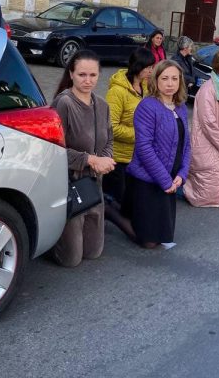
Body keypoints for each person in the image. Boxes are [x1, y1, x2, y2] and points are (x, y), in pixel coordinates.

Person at [50, 50, 115, 267]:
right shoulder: (64, 103)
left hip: (95, 182)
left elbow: (109, 139)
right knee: (71, 259)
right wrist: (90, 160)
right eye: (82, 75)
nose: (88, 80)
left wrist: (105, 160)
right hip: (70, 183)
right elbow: (54, 150)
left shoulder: (102, 105)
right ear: (71, 74)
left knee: (94, 252)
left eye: (93, 75)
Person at [126, 60, 190, 248]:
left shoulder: (181, 106)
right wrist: (165, 180)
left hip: (171, 177)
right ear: (156, 80)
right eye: (165, 78)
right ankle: (113, 214)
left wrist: (182, 174)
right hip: (149, 177)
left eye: (174, 79)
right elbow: (144, 147)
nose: (170, 84)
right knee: (148, 242)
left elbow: (186, 144)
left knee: (161, 236)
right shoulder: (147, 106)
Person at [184, 49, 219, 207]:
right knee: (203, 191)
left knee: (213, 187)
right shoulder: (208, 89)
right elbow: (208, 123)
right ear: (217, 67)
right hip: (208, 144)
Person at [103, 47, 155, 210]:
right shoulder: (117, 91)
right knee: (118, 201)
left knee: (132, 198)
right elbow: (111, 126)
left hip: (137, 154)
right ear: (138, 67)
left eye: (152, 67)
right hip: (119, 157)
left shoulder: (145, 86)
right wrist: (140, 135)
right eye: (148, 68)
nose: (151, 71)